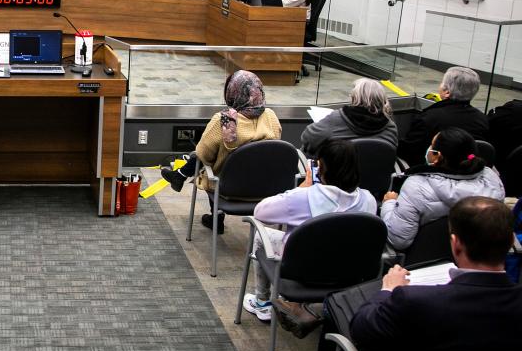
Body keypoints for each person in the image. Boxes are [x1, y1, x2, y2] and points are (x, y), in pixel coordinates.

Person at [289, 196, 522, 351]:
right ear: (511, 242)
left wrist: (389, 290)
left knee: (338, 306)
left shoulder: (413, 300)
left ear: (455, 244)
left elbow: (361, 330)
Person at [241, 140, 378, 322]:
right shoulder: (369, 200)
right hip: (349, 273)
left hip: (302, 271)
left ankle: (263, 302)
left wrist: (302, 188)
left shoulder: (303, 197)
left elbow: (260, 212)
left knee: (261, 235)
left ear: (322, 169)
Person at [160, 70, 282, 232]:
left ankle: (215, 216)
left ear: (232, 93)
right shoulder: (271, 116)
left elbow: (204, 155)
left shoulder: (223, 120)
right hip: (265, 188)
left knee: (211, 164)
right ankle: (180, 176)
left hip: (228, 189)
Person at [382, 127, 504, 251]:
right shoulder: (492, 180)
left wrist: (389, 203)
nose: (429, 148)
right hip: (479, 255)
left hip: (425, 260)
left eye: (431, 145)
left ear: (437, 156)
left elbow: (398, 240)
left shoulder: (416, 186)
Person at [397, 66, 489, 166]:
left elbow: (408, 151)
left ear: (447, 92)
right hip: (468, 172)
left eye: (442, 83)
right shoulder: (482, 119)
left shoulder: (430, 118)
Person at [300, 78, 398, 158]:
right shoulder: (390, 127)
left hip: (337, 179)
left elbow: (307, 138)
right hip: (374, 180)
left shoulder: (336, 119)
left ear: (355, 98)